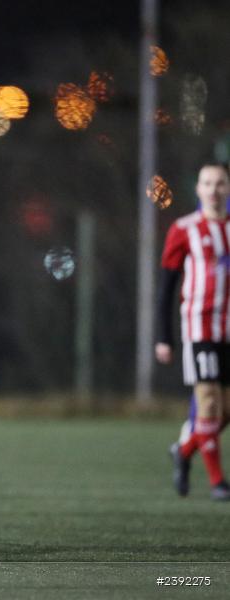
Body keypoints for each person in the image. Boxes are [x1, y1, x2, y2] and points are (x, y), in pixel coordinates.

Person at [157, 162, 230, 501]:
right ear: (198, 189)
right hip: (199, 329)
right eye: (207, 183)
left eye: (220, 183)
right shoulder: (183, 228)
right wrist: (164, 336)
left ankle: (184, 450)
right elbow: (166, 287)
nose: (214, 189)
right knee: (208, 402)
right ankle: (218, 482)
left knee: (223, 411)